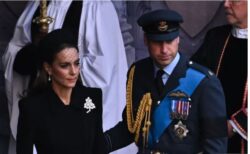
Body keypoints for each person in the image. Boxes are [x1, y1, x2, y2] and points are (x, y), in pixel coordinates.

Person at [2, 1, 133, 153]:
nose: (73, 70)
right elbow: (13, 54)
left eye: (76, 64)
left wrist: (61, 58)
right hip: (42, 108)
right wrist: (36, 51)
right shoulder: (37, 5)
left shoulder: (96, 6)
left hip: (76, 115)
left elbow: (105, 68)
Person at [104, 9, 228, 154]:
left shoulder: (205, 82)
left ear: (178, 39)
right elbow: (131, 128)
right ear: (146, 40)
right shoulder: (138, 72)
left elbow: (216, 147)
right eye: (157, 42)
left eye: (169, 41)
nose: (164, 50)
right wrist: (96, 143)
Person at [16, 29, 107, 154]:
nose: (73, 71)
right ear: (48, 68)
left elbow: (99, 148)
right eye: (65, 65)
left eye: (76, 63)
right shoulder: (32, 108)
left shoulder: (92, 97)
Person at [191, 0, 247, 153]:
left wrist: (235, 125)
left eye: (234, 0)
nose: (226, 4)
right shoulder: (216, 37)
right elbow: (191, 77)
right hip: (211, 140)